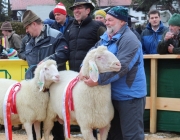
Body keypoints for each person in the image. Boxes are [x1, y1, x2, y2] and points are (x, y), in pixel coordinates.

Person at [80, 6, 147, 140]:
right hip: (111, 95)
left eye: (110, 20)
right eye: (106, 20)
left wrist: (98, 80)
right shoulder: (105, 37)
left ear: (122, 22)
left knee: (131, 136)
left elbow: (122, 67)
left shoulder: (130, 40)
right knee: (114, 135)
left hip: (129, 96)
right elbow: (91, 54)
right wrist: (83, 68)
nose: (106, 22)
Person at [21, 10, 69, 140]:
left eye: (27, 27)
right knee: (35, 123)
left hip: (52, 90)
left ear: (34, 24)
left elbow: (63, 54)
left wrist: (47, 61)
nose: (26, 31)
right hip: (36, 91)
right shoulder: (28, 40)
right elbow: (24, 54)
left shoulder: (56, 36)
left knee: (55, 126)